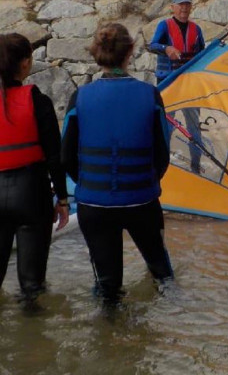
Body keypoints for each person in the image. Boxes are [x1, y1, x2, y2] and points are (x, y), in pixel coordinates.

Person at [62, 23, 174, 301]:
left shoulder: (80, 97)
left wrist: (88, 185)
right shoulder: (150, 95)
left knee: (107, 287)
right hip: (142, 201)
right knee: (163, 275)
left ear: (97, 52)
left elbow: (66, 156)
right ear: (131, 52)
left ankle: (109, 337)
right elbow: (163, 155)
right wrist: (147, 181)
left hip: (94, 204)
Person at [0, 33, 69, 304]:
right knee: (32, 288)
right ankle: (33, 342)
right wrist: (62, 199)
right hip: (32, 195)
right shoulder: (39, 101)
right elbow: (54, 156)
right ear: (25, 64)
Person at [149, 0, 206, 173]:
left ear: (191, 7)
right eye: (180, 4)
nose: (184, 8)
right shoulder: (163, 26)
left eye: (187, 4)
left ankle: (196, 165)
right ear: (172, 7)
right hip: (169, 81)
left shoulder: (196, 30)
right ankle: (160, 164)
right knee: (167, 124)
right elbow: (153, 45)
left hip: (189, 83)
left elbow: (203, 53)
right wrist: (167, 48)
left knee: (194, 126)